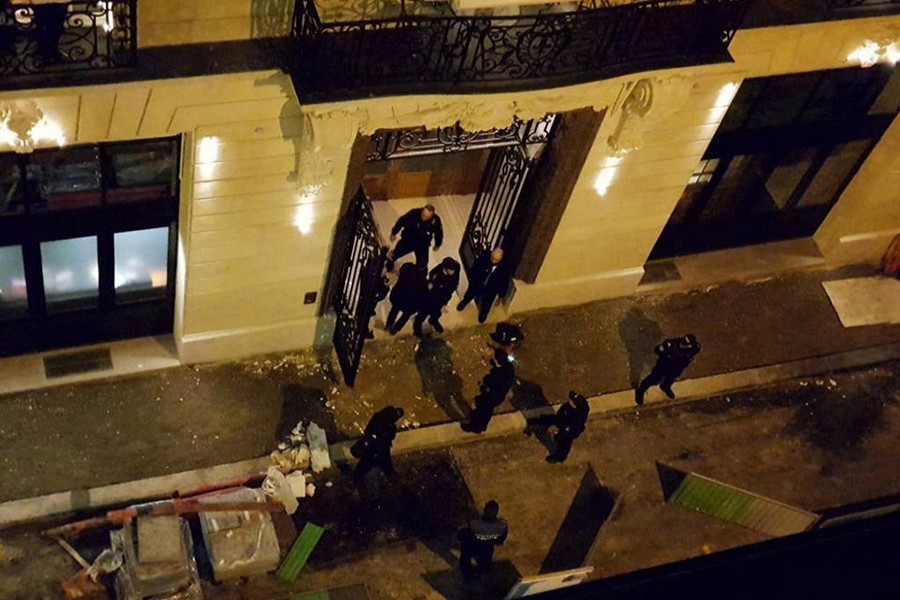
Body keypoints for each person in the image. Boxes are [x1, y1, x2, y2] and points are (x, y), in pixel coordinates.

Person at [635, 334, 701, 406]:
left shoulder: (695, 348)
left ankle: (665, 386)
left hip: (677, 367)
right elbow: (657, 350)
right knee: (654, 378)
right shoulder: (671, 344)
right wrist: (663, 351)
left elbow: (693, 353)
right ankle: (641, 391)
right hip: (664, 364)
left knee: (671, 378)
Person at [461, 348, 515, 434]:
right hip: (499, 396)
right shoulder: (509, 368)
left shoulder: (496, 375)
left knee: (481, 409)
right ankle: (483, 425)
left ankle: (475, 426)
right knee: (488, 411)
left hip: (491, 397)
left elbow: (488, 385)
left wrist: (482, 385)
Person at [526, 391, 590, 463]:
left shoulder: (579, 415)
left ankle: (559, 457)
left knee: (564, 443)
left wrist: (559, 433)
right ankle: (533, 423)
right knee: (548, 419)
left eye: (571, 401)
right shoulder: (569, 406)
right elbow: (561, 413)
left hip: (569, 430)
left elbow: (573, 427)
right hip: (562, 420)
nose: (569, 401)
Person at [351, 406, 404, 486]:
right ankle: (392, 478)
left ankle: (356, 480)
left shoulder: (379, 417)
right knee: (383, 464)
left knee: (364, 466)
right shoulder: (390, 427)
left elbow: (369, 430)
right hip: (378, 448)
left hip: (374, 447)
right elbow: (389, 437)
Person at [456, 248, 510, 324]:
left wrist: (501, 292)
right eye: (492, 258)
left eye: (496, 260)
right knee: (470, 293)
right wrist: (472, 276)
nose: (493, 261)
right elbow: (476, 266)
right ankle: (464, 302)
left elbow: (504, 281)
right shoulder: (484, 257)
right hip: (478, 282)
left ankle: (483, 314)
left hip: (490, 288)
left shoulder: (504, 268)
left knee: (487, 303)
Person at [458, 500, 508, 577]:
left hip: (472, 546)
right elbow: (501, 540)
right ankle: (485, 567)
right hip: (487, 548)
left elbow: (461, 535)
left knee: (465, 549)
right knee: (487, 552)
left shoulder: (474, 524)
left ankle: (466, 570)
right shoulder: (501, 526)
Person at [386, 204, 443, 271]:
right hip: (408, 240)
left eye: (427, 217)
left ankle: (417, 274)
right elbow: (402, 221)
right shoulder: (414, 213)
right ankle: (388, 265)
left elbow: (439, 233)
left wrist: (437, 244)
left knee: (423, 263)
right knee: (395, 253)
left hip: (422, 245)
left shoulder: (436, 221)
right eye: (423, 215)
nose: (424, 218)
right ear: (422, 211)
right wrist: (394, 232)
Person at [413, 257, 460, 336]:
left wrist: (445, 302)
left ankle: (432, 320)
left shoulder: (455, 269)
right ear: (445, 269)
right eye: (451, 270)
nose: (453, 272)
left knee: (436, 313)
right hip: (431, 298)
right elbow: (433, 290)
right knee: (422, 315)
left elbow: (453, 283)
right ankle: (417, 331)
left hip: (442, 298)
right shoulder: (437, 276)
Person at [386, 262, 426, 335]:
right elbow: (422, 292)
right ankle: (395, 329)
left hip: (399, 297)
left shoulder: (407, 268)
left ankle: (389, 325)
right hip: (410, 302)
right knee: (405, 315)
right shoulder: (421, 279)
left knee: (395, 309)